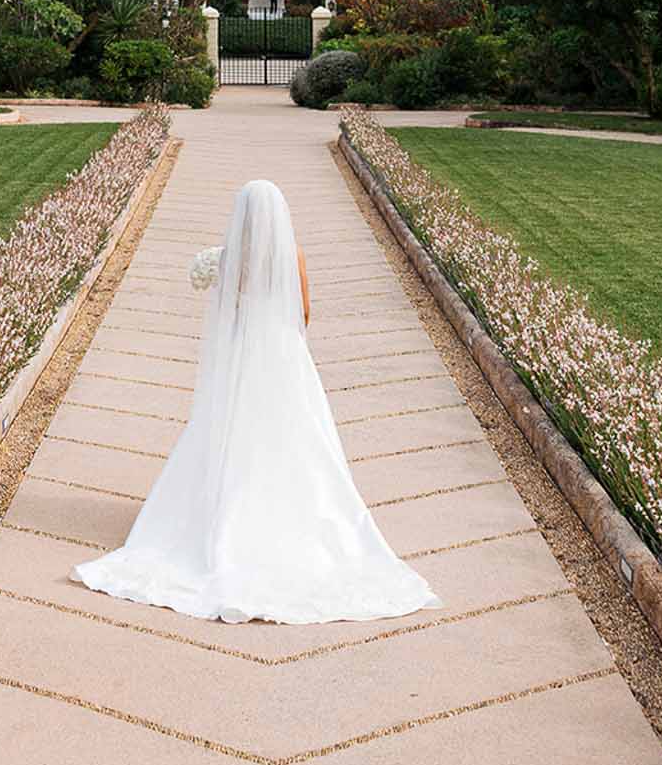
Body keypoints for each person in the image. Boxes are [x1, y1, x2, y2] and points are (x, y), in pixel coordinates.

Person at [73, 179, 441, 625]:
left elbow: (227, 312)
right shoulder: (295, 255)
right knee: (297, 435)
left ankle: (229, 513)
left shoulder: (230, 260)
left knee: (234, 430)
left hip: (244, 358)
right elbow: (303, 314)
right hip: (284, 356)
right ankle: (293, 513)